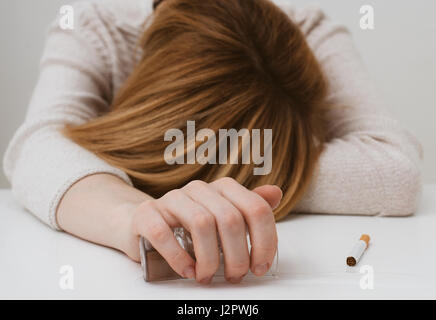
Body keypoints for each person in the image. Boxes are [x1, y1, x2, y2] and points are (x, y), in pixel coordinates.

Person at [3, 0, 423, 285]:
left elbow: (394, 167)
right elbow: (36, 146)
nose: (199, 184)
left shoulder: (309, 27)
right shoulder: (94, 26)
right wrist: (135, 215)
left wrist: (176, 173)